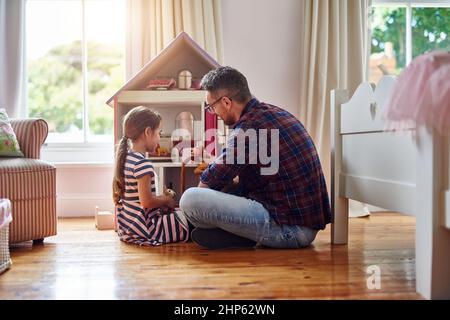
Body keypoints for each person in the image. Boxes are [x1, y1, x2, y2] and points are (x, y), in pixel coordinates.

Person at [179, 66, 331, 249]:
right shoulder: (272, 113)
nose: (213, 113)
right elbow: (232, 173)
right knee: (228, 188)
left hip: (289, 229)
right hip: (300, 223)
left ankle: (242, 233)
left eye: (211, 107)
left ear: (226, 102)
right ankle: (242, 234)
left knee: (190, 199)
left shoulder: (248, 128)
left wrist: (193, 212)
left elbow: (211, 179)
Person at [113, 106, 190, 246]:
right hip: (148, 230)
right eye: (159, 133)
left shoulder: (126, 158)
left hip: (130, 228)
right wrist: (165, 200)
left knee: (179, 214)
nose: (159, 139)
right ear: (148, 132)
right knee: (189, 219)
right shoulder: (142, 164)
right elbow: (147, 202)